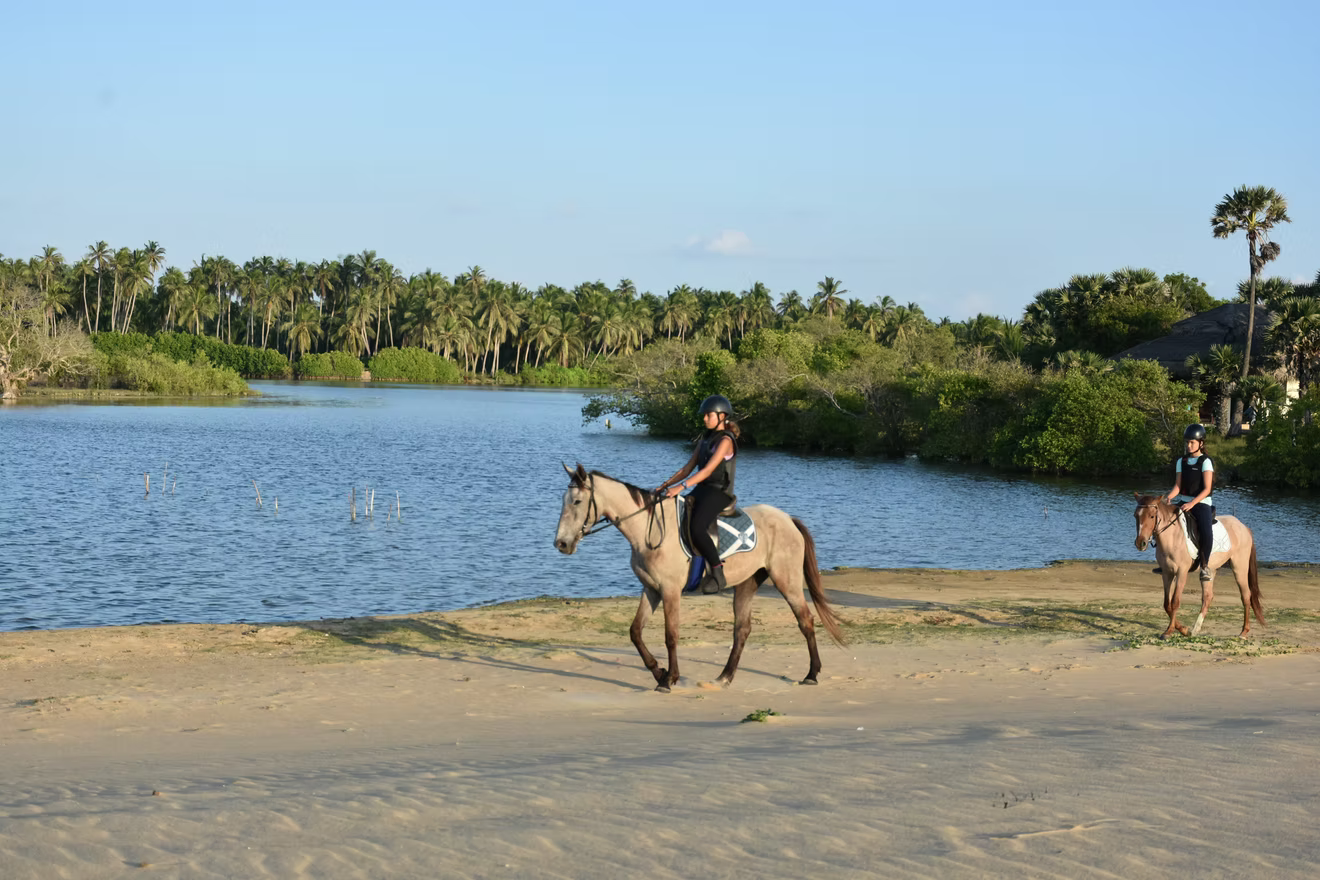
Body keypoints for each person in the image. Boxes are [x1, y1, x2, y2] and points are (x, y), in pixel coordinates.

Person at [656, 394, 740, 594]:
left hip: (719, 492)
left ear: (721, 416)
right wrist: (665, 485)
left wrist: (681, 487)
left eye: (708, 415)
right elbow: (688, 468)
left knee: (697, 527)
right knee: (677, 515)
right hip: (702, 488)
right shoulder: (705, 438)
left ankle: (718, 573)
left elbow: (707, 471)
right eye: (704, 415)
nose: (704, 419)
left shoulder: (726, 440)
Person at [1164, 423, 1215, 581]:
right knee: (1163, 522)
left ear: (1201, 443)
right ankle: (1165, 561)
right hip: (1183, 501)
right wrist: (1168, 498)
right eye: (1187, 442)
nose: (1188, 445)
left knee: (1206, 532)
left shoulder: (1205, 461)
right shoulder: (1182, 461)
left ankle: (1205, 566)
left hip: (1201, 503)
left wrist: (1192, 504)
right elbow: (1178, 486)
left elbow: (1207, 489)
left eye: (1192, 442)